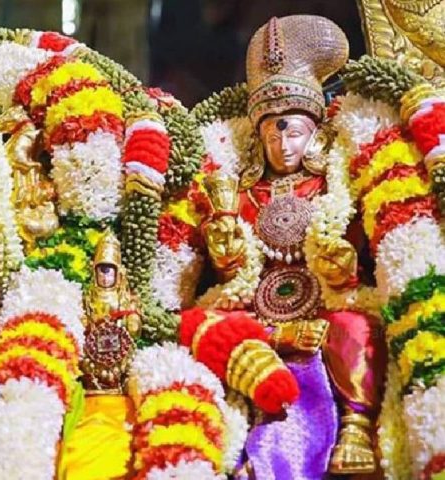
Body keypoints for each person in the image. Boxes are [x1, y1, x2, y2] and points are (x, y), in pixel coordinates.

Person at [198, 15, 386, 478]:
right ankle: (232, 443)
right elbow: (233, 274)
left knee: (354, 325)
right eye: (273, 132)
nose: (283, 143)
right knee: (215, 328)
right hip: (257, 311)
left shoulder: (332, 188)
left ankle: (355, 427)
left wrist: (342, 260)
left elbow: (354, 257)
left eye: (294, 131)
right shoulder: (243, 194)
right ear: (259, 138)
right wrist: (226, 258)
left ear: (315, 134)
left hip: (322, 302)